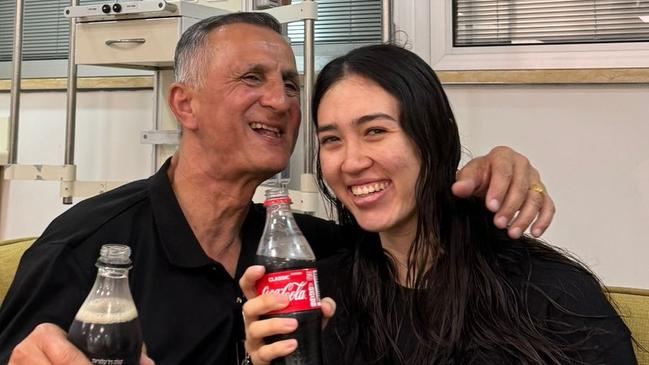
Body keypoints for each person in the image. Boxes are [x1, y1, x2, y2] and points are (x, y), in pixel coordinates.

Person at [0, 14, 554, 365]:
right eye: (253, 79)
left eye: (290, 83)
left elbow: (413, 242)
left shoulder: (312, 250)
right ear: (184, 104)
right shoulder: (85, 249)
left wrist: (485, 173)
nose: (283, 101)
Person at [239, 44, 636, 364]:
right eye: (331, 140)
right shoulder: (323, 297)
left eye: (375, 131)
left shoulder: (549, 292)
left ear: (432, 138)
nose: (352, 161)